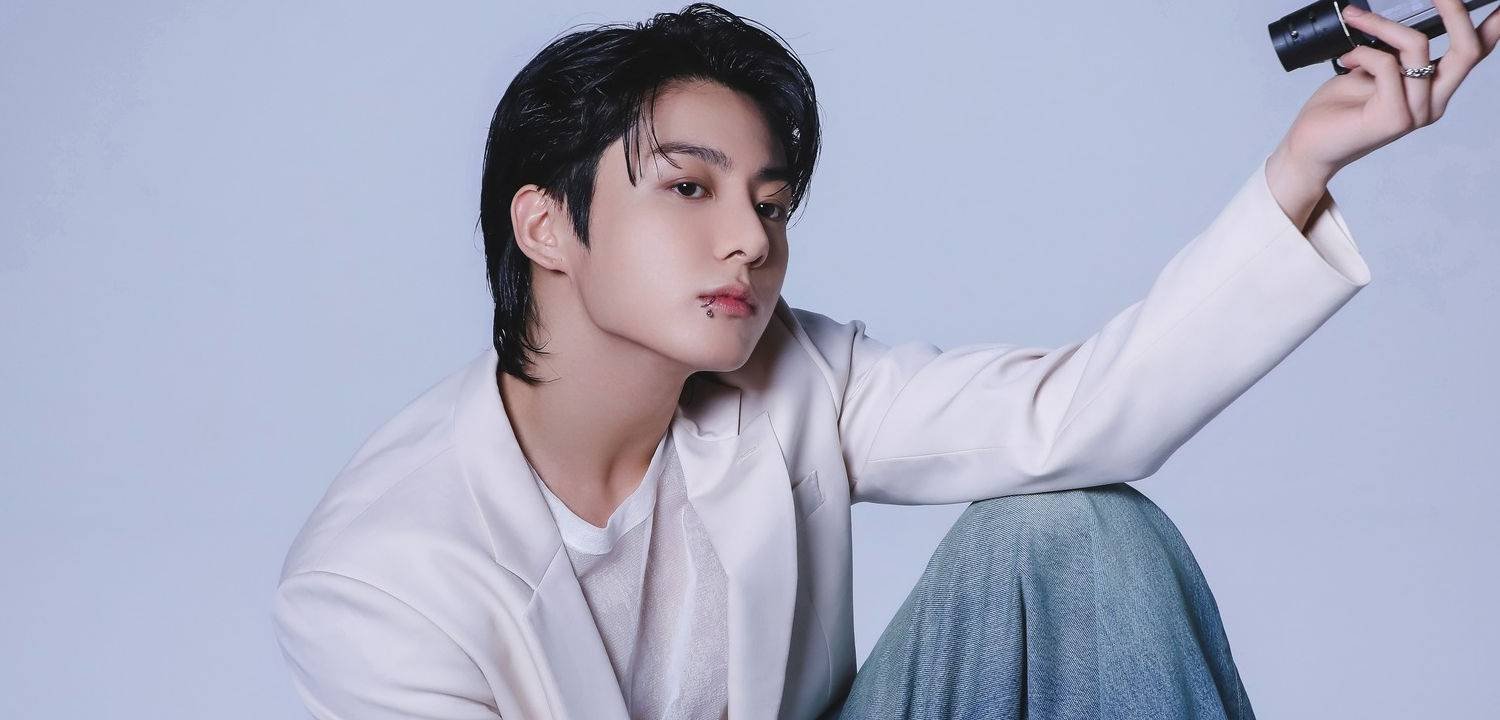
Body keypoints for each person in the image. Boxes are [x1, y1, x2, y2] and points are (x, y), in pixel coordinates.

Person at [269, 3, 1497, 719]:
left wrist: (1304, 165)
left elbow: (1076, 418)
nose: (751, 238)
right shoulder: (380, 578)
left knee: (1074, 530)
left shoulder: (792, 376)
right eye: (689, 189)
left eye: (771, 202)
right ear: (546, 226)